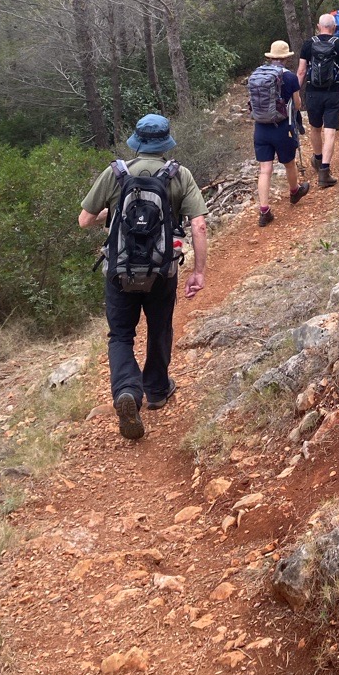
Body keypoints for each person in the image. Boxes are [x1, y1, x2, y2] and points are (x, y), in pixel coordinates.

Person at [78, 113, 208, 441]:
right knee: (159, 327)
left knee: (121, 335)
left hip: (119, 270)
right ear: (166, 142)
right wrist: (198, 272)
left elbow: (84, 220)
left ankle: (127, 391)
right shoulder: (179, 175)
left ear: (136, 141)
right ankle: (157, 389)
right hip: (161, 270)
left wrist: (113, 213)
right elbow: (199, 225)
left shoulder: (115, 173)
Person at [248, 40, 310, 228]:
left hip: (260, 128)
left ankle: (264, 210)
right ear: (285, 58)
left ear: (271, 57)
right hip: (281, 127)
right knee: (289, 162)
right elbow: (297, 104)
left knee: (264, 169)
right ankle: (294, 191)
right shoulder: (289, 77)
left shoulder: (257, 74)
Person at [297, 14, 339, 188]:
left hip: (312, 91)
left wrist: (295, 92)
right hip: (333, 91)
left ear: (318, 26)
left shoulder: (308, 44)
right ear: (334, 27)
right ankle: (324, 171)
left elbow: (301, 72)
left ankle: (317, 159)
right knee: (329, 132)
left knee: (315, 128)